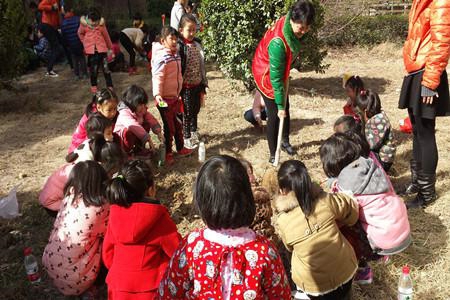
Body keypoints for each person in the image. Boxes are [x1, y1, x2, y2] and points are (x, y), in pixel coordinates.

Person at [158, 155, 291, 299]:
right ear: (247, 197)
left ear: (202, 200)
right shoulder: (265, 251)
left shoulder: (191, 246)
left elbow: (168, 293)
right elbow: (281, 295)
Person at [320, 133, 411, 285]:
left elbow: (344, 212)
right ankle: (381, 254)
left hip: (385, 240)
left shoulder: (346, 185)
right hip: (401, 230)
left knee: (341, 226)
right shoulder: (370, 164)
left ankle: (363, 270)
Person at [274, 160, 358, 299]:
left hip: (314, 286)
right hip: (345, 271)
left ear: (282, 190)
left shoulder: (283, 220)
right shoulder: (324, 200)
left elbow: (289, 247)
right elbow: (350, 211)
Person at [103, 160, 181, 299]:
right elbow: (177, 252)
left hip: (117, 289)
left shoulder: (114, 215)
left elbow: (108, 255)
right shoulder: (159, 217)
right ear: (151, 189)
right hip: (151, 290)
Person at [399, 0, 450, 208]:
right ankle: (416, 183)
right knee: (417, 133)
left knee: (426, 134)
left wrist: (430, 81)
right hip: (416, 71)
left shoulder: (440, 1)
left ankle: (427, 194)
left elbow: (442, 42)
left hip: (426, 73)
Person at [252, 0, 316, 163]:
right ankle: (274, 155)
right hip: (266, 72)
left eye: (307, 27)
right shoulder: (278, 43)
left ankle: (285, 141)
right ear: (292, 20)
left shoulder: (289, 24)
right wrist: (279, 106)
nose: (304, 31)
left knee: (286, 106)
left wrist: (283, 105)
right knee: (275, 113)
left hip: (277, 68)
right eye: (301, 27)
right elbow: (276, 79)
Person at [42, 161, 110, 298]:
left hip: (50, 265)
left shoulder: (70, 196)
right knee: (109, 243)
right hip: (76, 280)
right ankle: (92, 288)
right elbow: (110, 231)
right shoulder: (100, 207)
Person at [40, 140, 124, 216]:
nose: (112, 175)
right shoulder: (86, 173)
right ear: (105, 164)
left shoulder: (89, 161)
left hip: (52, 196)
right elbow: (91, 196)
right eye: (112, 172)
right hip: (53, 203)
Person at [152, 26, 193, 164]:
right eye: (171, 38)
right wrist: (158, 95)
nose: (175, 41)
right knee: (169, 127)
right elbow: (158, 77)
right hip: (164, 100)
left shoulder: (176, 55)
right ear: (163, 41)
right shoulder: (162, 58)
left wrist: (179, 92)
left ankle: (180, 148)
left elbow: (178, 75)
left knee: (178, 124)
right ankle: (169, 152)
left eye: (176, 38)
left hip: (175, 98)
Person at [178, 14, 208, 149]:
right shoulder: (180, 47)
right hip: (186, 86)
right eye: (188, 30)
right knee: (187, 113)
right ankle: (186, 137)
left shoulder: (197, 44)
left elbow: (201, 65)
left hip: (197, 84)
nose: (191, 33)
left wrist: (203, 83)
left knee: (195, 110)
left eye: (194, 30)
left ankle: (194, 132)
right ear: (180, 30)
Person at [114, 85, 163, 157]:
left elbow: (150, 118)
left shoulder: (141, 109)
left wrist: (158, 131)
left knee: (146, 124)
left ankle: (138, 149)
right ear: (132, 103)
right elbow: (134, 126)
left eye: (144, 104)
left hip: (135, 134)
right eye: (140, 104)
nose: (143, 107)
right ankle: (127, 153)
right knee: (128, 132)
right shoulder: (124, 112)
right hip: (121, 139)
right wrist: (148, 139)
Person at [355, 89, 396, 172]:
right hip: (380, 156)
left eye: (359, 113)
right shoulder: (377, 117)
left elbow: (370, 145)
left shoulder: (378, 122)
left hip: (383, 160)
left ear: (365, 112)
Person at [69, 88, 118, 153]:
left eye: (115, 109)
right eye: (109, 110)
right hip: (81, 150)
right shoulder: (94, 121)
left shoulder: (111, 115)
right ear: (99, 107)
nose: (113, 113)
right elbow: (92, 143)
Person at [78, 8, 114, 94]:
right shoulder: (84, 25)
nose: (94, 23)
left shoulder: (101, 25)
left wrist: (110, 48)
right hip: (91, 52)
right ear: (88, 19)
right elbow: (80, 33)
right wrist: (85, 42)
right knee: (93, 70)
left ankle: (110, 85)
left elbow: (106, 36)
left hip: (102, 50)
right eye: (92, 21)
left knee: (106, 69)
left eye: (96, 21)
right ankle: (94, 86)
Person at [61, 3, 87, 80]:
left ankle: (76, 75)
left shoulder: (63, 23)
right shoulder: (78, 19)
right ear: (71, 10)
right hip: (79, 42)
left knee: (74, 58)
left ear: (65, 12)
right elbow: (83, 31)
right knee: (82, 57)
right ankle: (85, 73)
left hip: (70, 43)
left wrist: (67, 45)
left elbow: (64, 36)